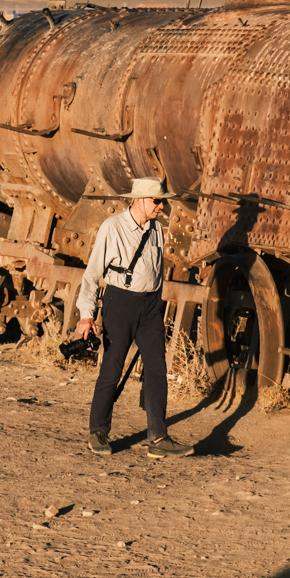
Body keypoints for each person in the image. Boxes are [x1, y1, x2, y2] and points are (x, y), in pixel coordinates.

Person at [74, 178, 194, 458]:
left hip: (151, 305)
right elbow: (92, 275)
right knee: (112, 368)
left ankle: (158, 437)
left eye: (162, 201)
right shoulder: (112, 228)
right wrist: (86, 315)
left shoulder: (156, 230)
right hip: (120, 302)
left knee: (157, 369)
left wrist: (155, 303)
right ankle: (98, 432)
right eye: (156, 201)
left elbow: (156, 270)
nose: (161, 206)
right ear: (139, 200)